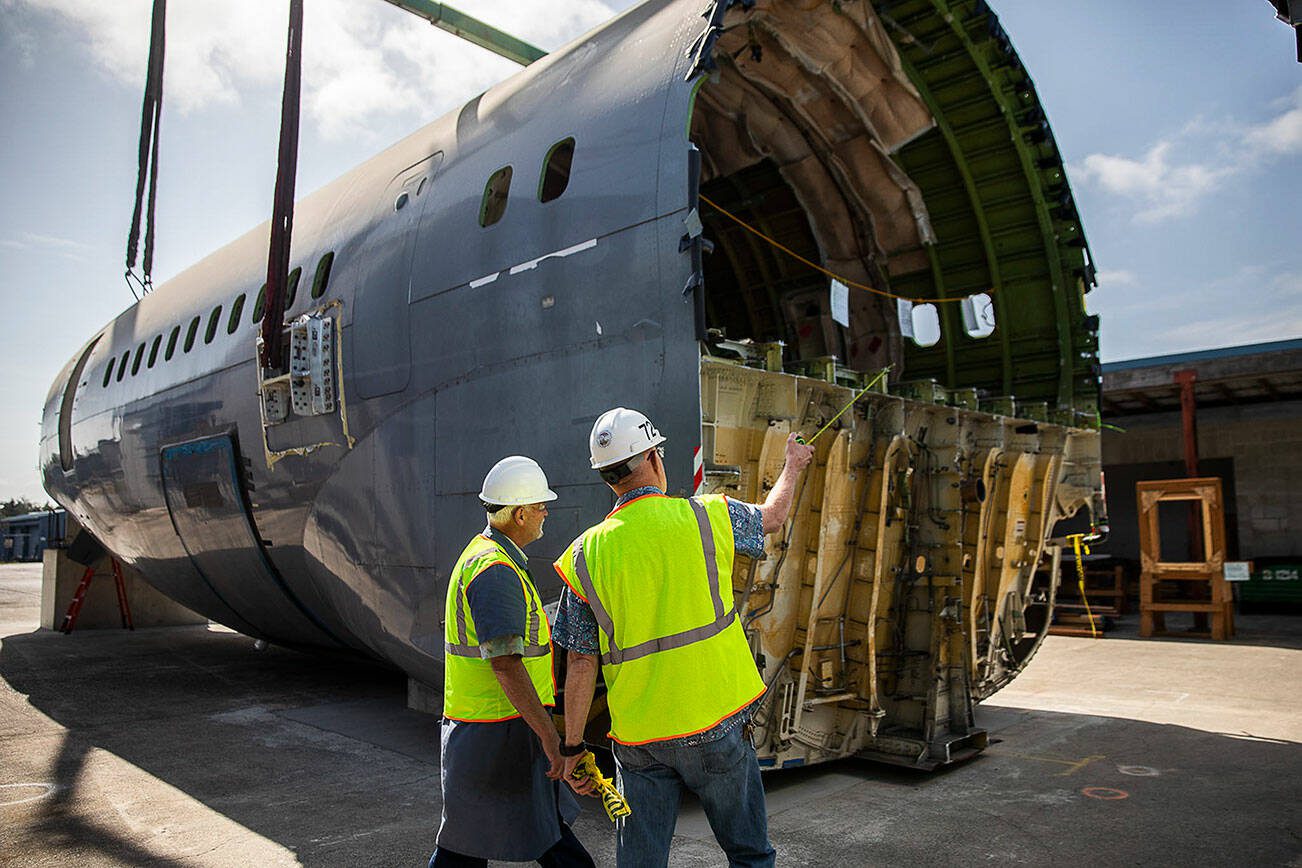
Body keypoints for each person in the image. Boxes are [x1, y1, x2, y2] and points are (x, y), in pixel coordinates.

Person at [552, 408, 814, 867]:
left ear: (607, 477)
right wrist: (793, 464)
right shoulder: (707, 515)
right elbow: (772, 518)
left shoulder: (584, 555)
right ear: (653, 458)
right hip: (717, 721)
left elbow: (579, 663)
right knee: (750, 855)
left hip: (640, 738)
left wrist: (573, 747)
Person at [431, 456, 595, 868]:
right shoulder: (495, 572)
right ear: (519, 514)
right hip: (496, 733)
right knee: (487, 847)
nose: (545, 514)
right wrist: (547, 736)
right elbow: (505, 664)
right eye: (541, 507)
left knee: (478, 847)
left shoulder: (484, 556)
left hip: (489, 729)